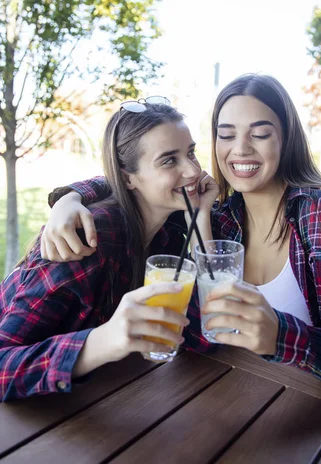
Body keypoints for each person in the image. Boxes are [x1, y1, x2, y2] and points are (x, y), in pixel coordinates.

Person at [41, 75, 321, 393]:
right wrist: (70, 197)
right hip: (236, 399)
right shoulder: (220, 217)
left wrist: (280, 335)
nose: (241, 148)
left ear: (286, 138)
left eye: (260, 134)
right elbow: (142, 175)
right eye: (226, 135)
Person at [0, 98, 215, 401]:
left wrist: (200, 217)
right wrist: (101, 342)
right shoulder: (90, 238)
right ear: (128, 178)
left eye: (191, 153)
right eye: (169, 160)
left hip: (95, 405)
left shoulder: (170, 230)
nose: (193, 171)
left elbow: (206, 332)